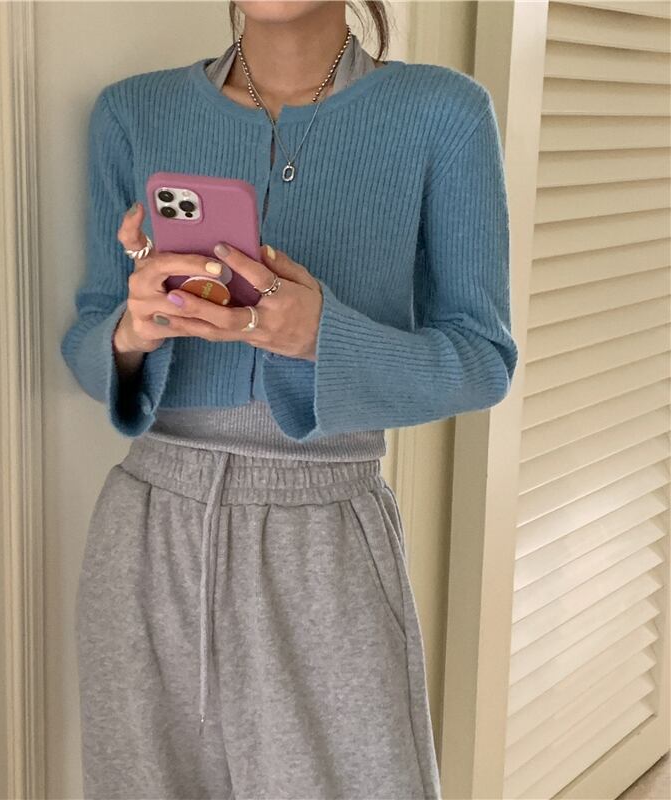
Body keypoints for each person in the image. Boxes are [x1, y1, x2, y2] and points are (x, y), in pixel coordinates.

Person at [61, 1, 518, 798]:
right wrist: (134, 331)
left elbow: (482, 360)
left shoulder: (442, 114)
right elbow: (86, 338)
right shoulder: (133, 113)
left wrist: (321, 335)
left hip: (323, 536)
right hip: (148, 537)